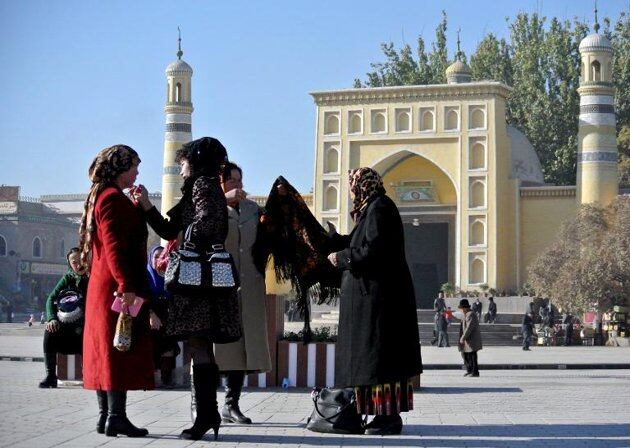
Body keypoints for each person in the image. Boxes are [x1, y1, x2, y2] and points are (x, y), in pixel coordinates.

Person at [136, 137, 241, 441]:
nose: (180, 170)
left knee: (199, 345)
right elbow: (169, 230)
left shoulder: (202, 185)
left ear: (194, 161)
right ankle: (208, 414)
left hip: (199, 282)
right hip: (203, 282)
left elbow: (208, 223)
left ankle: (207, 415)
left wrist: (188, 243)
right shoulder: (200, 186)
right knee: (199, 345)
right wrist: (147, 206)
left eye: (182, 163)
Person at [327, 167, 422, 436]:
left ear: (362, 186)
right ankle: (378, 415)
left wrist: (342, 257)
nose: (350, 192)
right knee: (374, 361)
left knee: (381, 361)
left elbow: (374, 250)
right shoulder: (371, 209)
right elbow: (360, 243)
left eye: (352, 186)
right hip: (372, 303)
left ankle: (388, 417)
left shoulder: (380, 208)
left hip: (381, 305)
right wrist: (335, 240)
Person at [79, 145, 155, 438]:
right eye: (134, 166)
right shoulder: (111, 198)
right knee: (117, 350)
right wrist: (125, 286)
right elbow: (113, 246)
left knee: (106, 349)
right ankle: (115, 417)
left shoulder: (105, 195)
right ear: (120, 168)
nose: (137, 172)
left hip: (105, 284)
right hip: (115, 287)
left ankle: (105, 418)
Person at [214, 162, 272, 425]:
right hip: (220, 287)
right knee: (221, 347)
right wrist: (221, 201)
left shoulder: (252, 209)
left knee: (242, 347)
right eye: (231, 180)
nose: (237, 185)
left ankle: (231, 405)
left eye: (239, 180)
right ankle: (205, 405)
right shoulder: (211, 207)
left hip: (249, 286)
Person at [39, 247, 88, 388]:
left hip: (86, 330)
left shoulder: (93, 277)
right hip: (67, 332)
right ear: (69, 264)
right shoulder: (68, 278)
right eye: (74, 262)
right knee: (50, 331)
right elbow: (50, 298)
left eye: (80, 260)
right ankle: (50, 376)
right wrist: (51, 318)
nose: (78, 265)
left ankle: (90, 376)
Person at [146, 246, 179, 388]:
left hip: (168, 316)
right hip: (148, 315)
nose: (159, 259)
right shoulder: (145, 276)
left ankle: (166, 378)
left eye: (163, 256)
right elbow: (141, 298)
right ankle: (150, 378)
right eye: (156, 256)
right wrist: (151, 314)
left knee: (169, 344)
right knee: (151, 343)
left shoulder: (170, 275)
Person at [458, 299, 482, 377]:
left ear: (465, 308)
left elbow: (469, 328)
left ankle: (475, 372)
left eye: (461, 308)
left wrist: (463, 337)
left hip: (472, 340)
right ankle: (469, 370)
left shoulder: (471, 314)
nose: (461, 310)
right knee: (466, 355)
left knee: (472, 356)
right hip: (468, 340)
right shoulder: (466, 314)